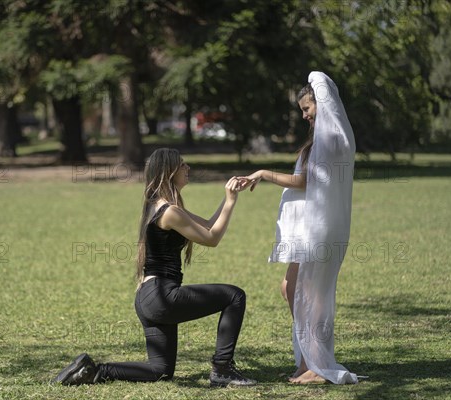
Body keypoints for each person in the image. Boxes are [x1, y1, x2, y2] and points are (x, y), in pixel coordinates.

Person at [52, 148, 257, 388]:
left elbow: (209, 225)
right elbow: (211, 238)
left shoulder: (161, 206)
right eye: (182, 165)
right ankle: (223, 369)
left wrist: (229, 196)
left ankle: (94, 370)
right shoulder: (169, 212)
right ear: (169, 171)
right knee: (234, 296)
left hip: (147, 298)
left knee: (160, 370)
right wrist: (231, 201)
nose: (188, 168)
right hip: (162, 296)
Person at [240, 71, 358, 384]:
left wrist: (263, 173)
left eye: (307, 108)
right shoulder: (324, 136)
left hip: (317, 227)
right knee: (294, 288)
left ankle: (316, 364)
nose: (304, 115)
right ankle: (309, 359)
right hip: (310, 226)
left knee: (306, 292)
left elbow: (304, 181)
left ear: (322, 103)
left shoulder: (330, 137)